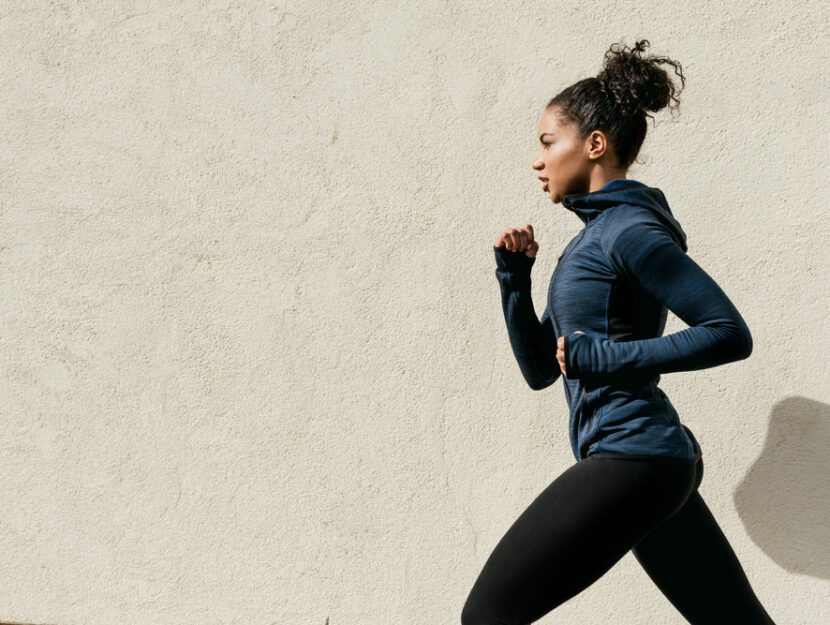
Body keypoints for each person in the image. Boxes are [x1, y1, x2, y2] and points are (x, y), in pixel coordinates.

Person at [461, 39, 778, 625]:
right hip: (647, 463)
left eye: (547, 143)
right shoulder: (587, 244)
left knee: (488, 614)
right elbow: (541, 369)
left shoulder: (630, 232)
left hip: (634, 455)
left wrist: (604, 357)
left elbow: (730, 333)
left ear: (595, 145)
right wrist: (514, 281)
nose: (538, 160)